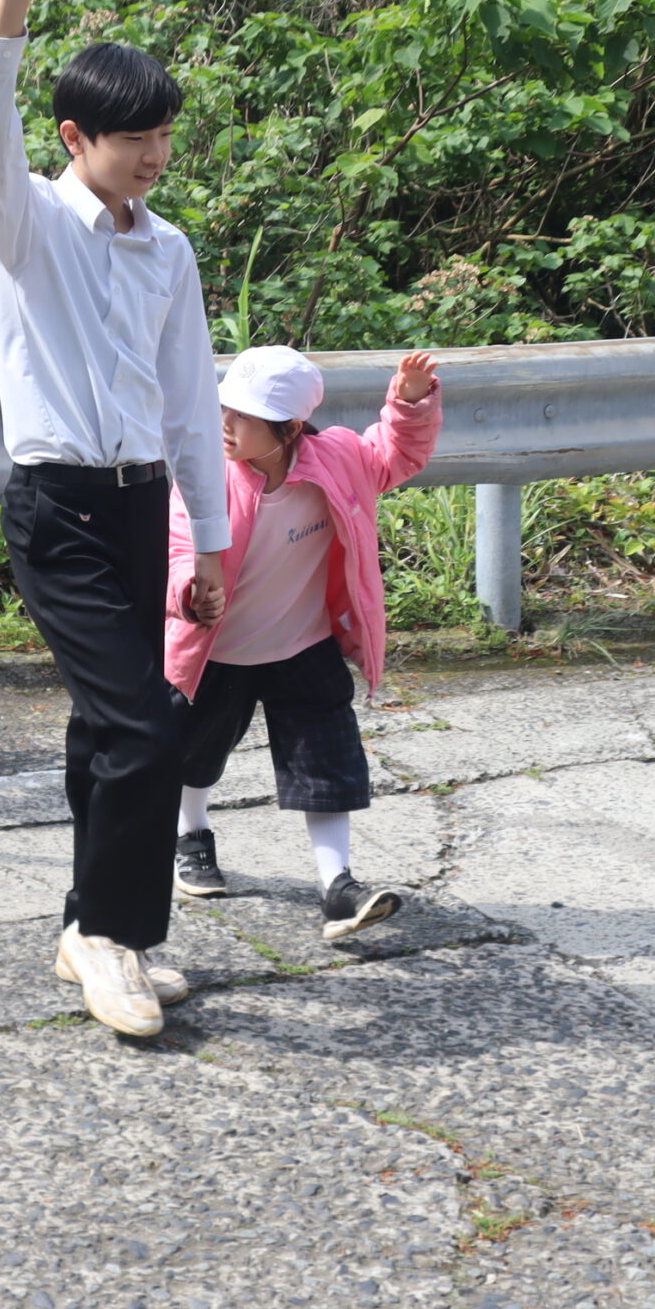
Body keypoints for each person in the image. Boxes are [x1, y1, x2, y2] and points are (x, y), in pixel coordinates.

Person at [0, 0, 230, 1039]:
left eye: (165, 137)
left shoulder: (166, 251)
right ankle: (118, 938)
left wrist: (209, 541)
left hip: (135, 508)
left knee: (101, 733)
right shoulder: (27, 225)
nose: (155, 157)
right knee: (143, 728)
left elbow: (188, 403)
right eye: (134, 141)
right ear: (76, 137)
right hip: (57, 508)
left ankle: (86, 923)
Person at [166, 346, 443, 939]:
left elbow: (396, 455)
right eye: (223, 409)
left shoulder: (338, 456)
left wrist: (410, 403)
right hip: (220, 652)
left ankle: (338, 888)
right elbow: (177, 549)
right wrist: (191, 594)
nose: (225, 424)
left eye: (242, 416)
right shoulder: (205, 475)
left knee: (327, 765)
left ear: (290, 428)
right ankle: (190, 836)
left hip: (304, 644)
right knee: (193, 755)